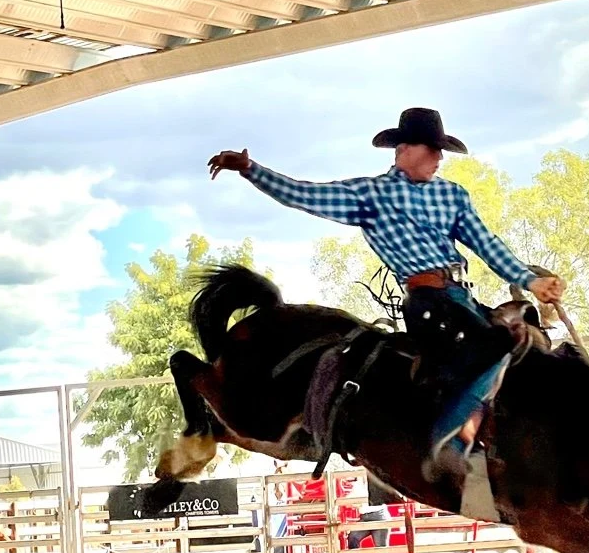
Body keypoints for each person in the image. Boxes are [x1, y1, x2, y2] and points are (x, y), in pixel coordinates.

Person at [208, 108, 565, 475]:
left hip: (462, 298)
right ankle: (449, 440)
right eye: (433, 149)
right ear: (404, 150)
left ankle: (514, 446)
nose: (440, 158)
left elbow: (486, 243)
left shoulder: (453, 195)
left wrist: (530, 281)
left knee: (526, 347)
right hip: (428, 303)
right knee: (498, 347)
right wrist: (252, 171)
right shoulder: (371, 195)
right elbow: (305, 195)